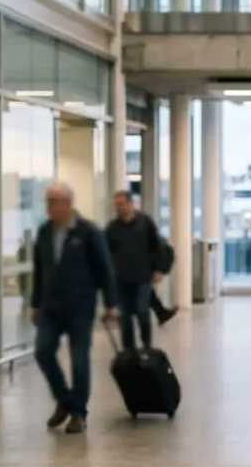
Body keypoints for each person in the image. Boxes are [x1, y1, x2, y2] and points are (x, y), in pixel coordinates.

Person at [31, 182, 119, 434]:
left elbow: (105, 269)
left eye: (53, 201)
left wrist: (111, 303)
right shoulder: (45, 231)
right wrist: (35, 303)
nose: (48, 207)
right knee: (42, 351)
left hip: (80, 306)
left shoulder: (88, 232)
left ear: (68, 203)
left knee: (79, 360)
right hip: (50, 307)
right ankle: (64, 400)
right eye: (47, 201)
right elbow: (40, 270)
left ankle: (78, 413)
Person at [105, 191, 167, 350]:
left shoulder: (145, 223)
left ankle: (147, 346)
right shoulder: (112, 229)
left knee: (142, 312)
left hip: (143, 278)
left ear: (130, 204)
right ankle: (129, 350)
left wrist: (159, 269)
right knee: (124, 318)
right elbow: (105, 253)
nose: (118, 208)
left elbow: (158, 247)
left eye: (121, 204)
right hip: (120, 280)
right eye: (116, 205)